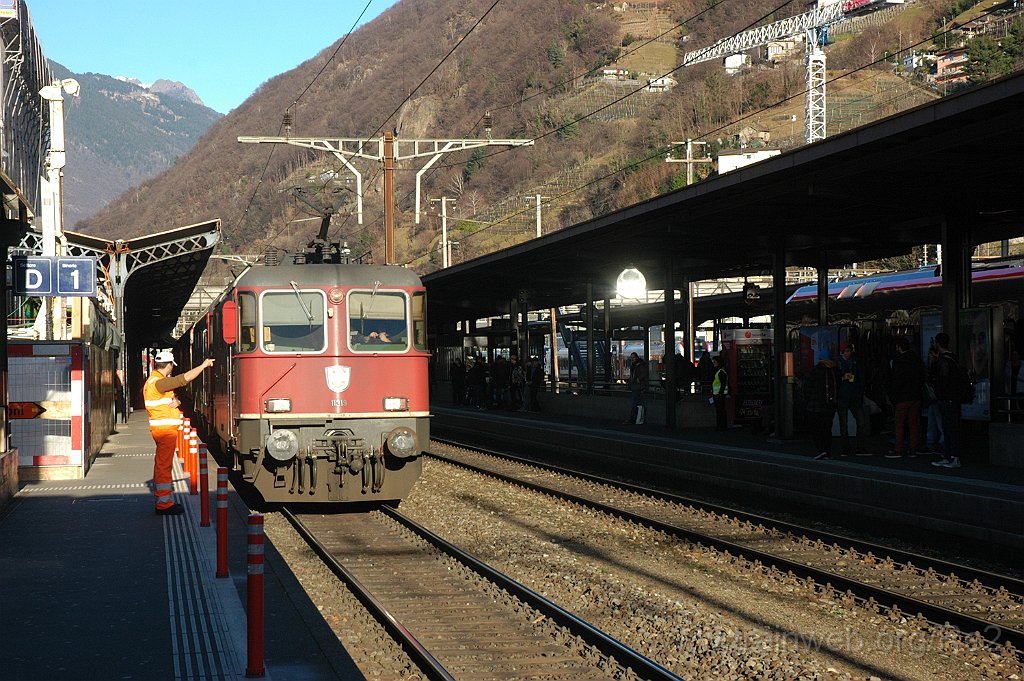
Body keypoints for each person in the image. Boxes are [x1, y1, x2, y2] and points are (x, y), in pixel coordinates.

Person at [144, 350, 214, 515]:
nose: (171, 370)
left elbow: (169, 400)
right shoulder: (158, 382)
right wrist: (203, 365)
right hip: (165, 431)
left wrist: (178, 401)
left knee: (162, 464)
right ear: (168, 366)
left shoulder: (155, 382)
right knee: (164, 466)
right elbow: (184, 379)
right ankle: (164, 504)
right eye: (171, 367)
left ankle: (163, 499)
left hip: (162, 429)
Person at [887, 337, 927, 458]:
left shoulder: (898, 360)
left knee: (899, 423)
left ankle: (898, 449)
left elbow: (896, 380)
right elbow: (922, 376)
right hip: (915, 395)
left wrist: (893, 396)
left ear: (898, 347)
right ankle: (913, 448)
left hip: (902, 396)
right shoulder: (916, 358)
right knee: (913, 423)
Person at [929, 332, 961, 469]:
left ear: (938, 343)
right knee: (949, 428)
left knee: (949, 428)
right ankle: (949, 456)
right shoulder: (952, 357)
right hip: (952, 398)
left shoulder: (943, 361)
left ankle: (953, 456)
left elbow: (942, 380)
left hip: (946, 398)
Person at [805, 352, 839, 460]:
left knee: (816, 429)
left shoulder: (816, 370)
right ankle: (828, 451)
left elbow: (807, 387)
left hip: (815, 405)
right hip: (830, 405)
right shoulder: (835, 370)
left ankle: (821, 450)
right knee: (827, 429)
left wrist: (806, 399)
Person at [836, 345, 868, 456]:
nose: (846, 353)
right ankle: (856, 447)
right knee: (858, 421)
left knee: (847, 423)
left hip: (848, 396)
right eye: (845, 351)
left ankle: (849, 447)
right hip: (849, 395)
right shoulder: (854, 363)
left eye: (848, 351)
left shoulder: (840, 363)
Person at [624, 352, 648, 424]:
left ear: (636, 357)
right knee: (636, 403)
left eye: (633, 357)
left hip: (637, 387)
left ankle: (633, 419)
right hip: (636, 386)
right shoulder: (637, 365)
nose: (632, 359)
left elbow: (644, 373)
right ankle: (635, 419)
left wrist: (639, 379)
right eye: (631, 358)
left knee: (634, 403)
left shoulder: (638, 365)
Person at [711, 355, 729, 430]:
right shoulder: (721, 371)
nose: (713, 363)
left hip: (719, 394)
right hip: (719, 394)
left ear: (718, 362)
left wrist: (720, 393)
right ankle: (722, 425)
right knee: (721, 410)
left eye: (714, 361)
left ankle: (721, 426)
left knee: (720, 411)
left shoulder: (720, 372)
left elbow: (723, 384)